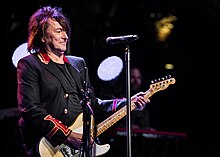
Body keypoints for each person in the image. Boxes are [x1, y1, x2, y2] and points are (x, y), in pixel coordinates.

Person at [16, 6, 150, 157]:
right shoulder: (30, 64)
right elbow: (31, 109)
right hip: (48, 146)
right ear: (42, 36)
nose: (65, 36)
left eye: (65, 31)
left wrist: (127, 103)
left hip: (80, 149)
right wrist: (67, 135)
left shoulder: (77, 64)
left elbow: (92, 104)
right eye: (58, 31)